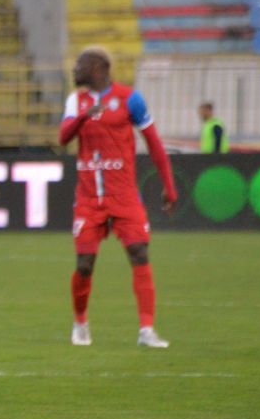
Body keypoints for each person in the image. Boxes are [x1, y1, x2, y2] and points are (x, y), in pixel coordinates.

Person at [59, 47, 177, 348]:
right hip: (88, 197)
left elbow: (154, 143)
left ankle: (147, 330)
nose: (74, 70)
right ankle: (81, 322)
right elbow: (63, 138)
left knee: (139, 253)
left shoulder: (130, 99)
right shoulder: (77, 101)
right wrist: (85, 116)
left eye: (79, 64)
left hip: (124, 195)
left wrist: (169, 185)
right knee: (84, 264)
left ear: (98, 66)